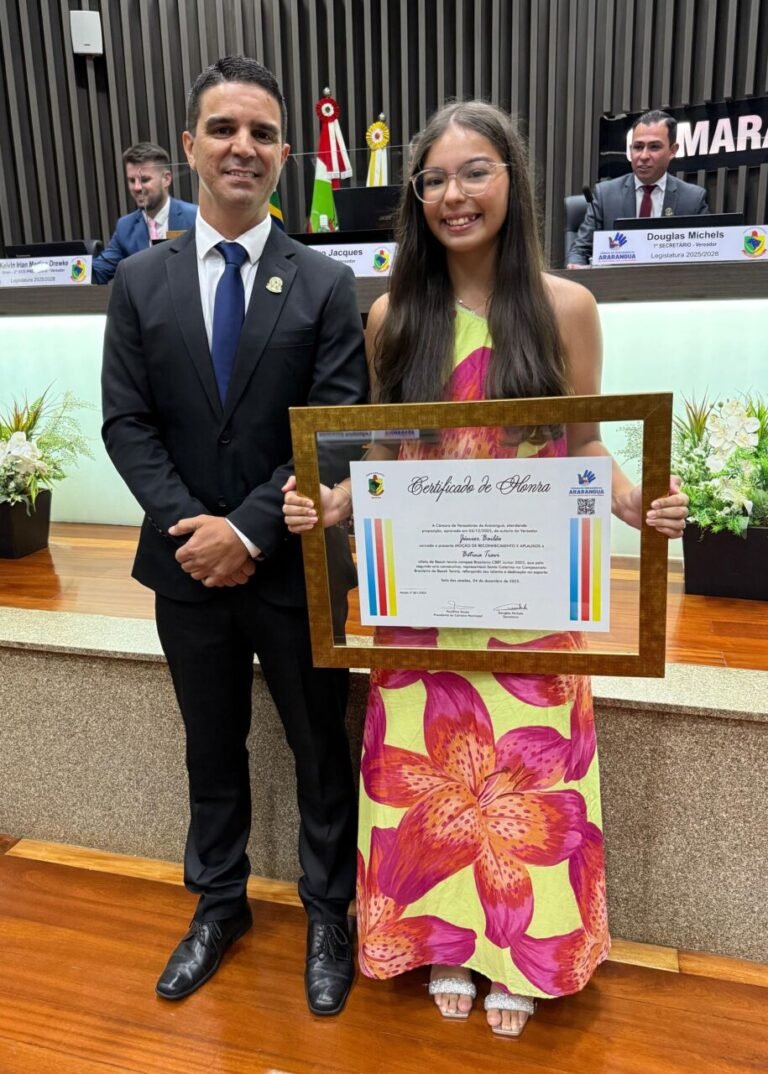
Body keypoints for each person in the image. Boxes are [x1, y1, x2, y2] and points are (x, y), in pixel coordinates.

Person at [284, 100, 687, 1037]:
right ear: (415, 196)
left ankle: (522, 953)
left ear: (513, 180)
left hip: (530, 589)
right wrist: (335, 504)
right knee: (431, 785)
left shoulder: (566, 307)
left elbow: (586, 446)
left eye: (475, 172)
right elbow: (383, 453)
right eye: (434, 179)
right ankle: (448, 944)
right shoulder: (390, 316)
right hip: (421, 595)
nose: (454, 195)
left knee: (524, 786)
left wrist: (638, 504)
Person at [101, 56, 368, 1014]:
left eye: (260, 132)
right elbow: (126, 423)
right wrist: (194, 531)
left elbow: (336, 430)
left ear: (284, 153)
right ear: (189, 147)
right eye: (222, 129)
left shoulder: (330, 284)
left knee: (317, 748)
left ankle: (330, 911)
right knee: (208, 745)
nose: (241, 147)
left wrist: (247, 531)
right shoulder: (136, 279)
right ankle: (218, 905)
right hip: (184, 568)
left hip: (295, 563)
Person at [567, 109, 710, 266]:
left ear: (672, 151)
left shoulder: (692, 200)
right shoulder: (605, 195)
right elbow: (580, 251)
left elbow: (707, 257)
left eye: (654, 147)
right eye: (638, 147)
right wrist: (576, 267)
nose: (643, 156)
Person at [92, 142, 197, 283]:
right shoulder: (125, 227)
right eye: (131, 180)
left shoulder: (195, 217)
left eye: (144, 180)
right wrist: (57, 268)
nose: (136, 187)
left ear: (166, 179)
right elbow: (98, 272)